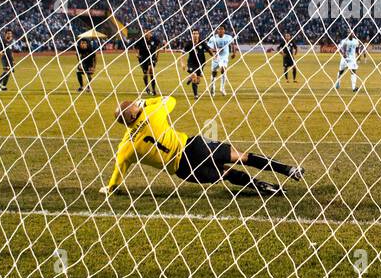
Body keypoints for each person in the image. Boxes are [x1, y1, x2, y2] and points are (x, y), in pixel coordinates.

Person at [102, 96, 303, 196]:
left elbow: (117, 174)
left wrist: (110, 188)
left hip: (184, 171)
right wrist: (146, 101)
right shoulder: (152, 113)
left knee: (226, 173)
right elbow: (170, 100)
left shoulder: (125, 146)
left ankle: (269, 189)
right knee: (242, 157)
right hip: (194, 146)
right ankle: (288, 170)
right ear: (136, 110)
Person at [134, 26, 164, 95]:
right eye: (144, 32)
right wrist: (137, 54)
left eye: (147, 32)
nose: (146, 34)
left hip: (152, 58)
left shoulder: (155, 39)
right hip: (143, 58)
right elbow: (136, 47)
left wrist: (157, 56)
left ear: (150, 32)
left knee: (151, 71)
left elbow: (159, 46)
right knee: (145, 73)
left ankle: (153, 89)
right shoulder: (141, 40)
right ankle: (147, 87)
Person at [183, 29, 207, 98]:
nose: (195, 35)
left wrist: (215, 56)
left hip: (200, 63)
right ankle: (196, 95)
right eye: (193, 33)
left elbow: (209, 49)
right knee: (194, 77)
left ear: (198, 35)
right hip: (191, 63)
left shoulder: (202, 42)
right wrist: (182, 63)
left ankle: (190, 77)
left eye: (196, 33)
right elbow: (182, 53)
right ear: (192, 35)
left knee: (198, 81)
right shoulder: (189, 44)